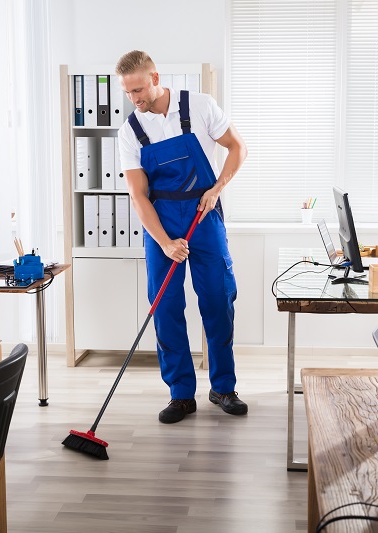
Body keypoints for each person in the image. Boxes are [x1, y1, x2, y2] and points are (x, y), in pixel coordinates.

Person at [116, 50, 248, 424]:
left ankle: (223, 387)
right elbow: (138, 195)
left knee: (218, 300)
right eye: (129, 93)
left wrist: (218, 188)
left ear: (155, 77)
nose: (136, 99)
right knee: (166, 308)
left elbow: (238, 147)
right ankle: (180, 395)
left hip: (204, 216)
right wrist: (164, 242)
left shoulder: (200, 106)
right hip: (160, 221)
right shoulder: (130, 131)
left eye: (139, 89)